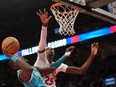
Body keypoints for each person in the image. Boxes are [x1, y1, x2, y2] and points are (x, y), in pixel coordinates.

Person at [34, 9, 99, 87]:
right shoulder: (40, 58)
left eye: (52, 49)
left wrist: (92, 55)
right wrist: (44, 25)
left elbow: (81, 70)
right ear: (43, 52)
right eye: (48, 49)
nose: (50, 49)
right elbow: (43, 41)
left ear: (54, 55)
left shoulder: (59, 65)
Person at [2, 40, 74, 87]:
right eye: (18, 58)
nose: (22, 57)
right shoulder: (21, 74)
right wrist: (11, 56)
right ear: (15, 65)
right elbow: (28, 69)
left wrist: (66, 54)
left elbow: (52, 68)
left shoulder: (34, 68)